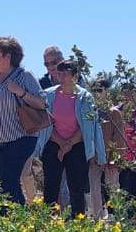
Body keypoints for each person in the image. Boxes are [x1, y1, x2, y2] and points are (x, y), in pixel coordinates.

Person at [0, 38, 45, 207]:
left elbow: (42, 103)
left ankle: (12, 219)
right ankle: (16, 221)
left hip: (21, 138)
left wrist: (20, 92)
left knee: (9, 180)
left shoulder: (24, 76)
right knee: (5, 182)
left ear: (8, 56)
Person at [34, 61, 107, 218]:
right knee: (51, 186)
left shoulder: (85, 98)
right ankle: (49, 222)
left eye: (65, 73)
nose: (61, 77)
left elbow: (88, 126)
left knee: (77, 187)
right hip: (53, 143)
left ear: (75, 76)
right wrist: (61, 143)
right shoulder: (48, 95)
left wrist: (69, 144)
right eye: (59, 73)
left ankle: (78, 224)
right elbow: (46, 123)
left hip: (77, 145)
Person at [89, 79, 125, 220]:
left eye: (100, 90)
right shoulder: (91, 111)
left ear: (106, 91)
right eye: (95, 91)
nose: (97, 93)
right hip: (94, 157)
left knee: (112, 188)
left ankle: (115, 217)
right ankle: (97, 218)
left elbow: (119, 138)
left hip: (110, 157)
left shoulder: (114, 112)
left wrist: (114, 159)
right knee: (95, 188)